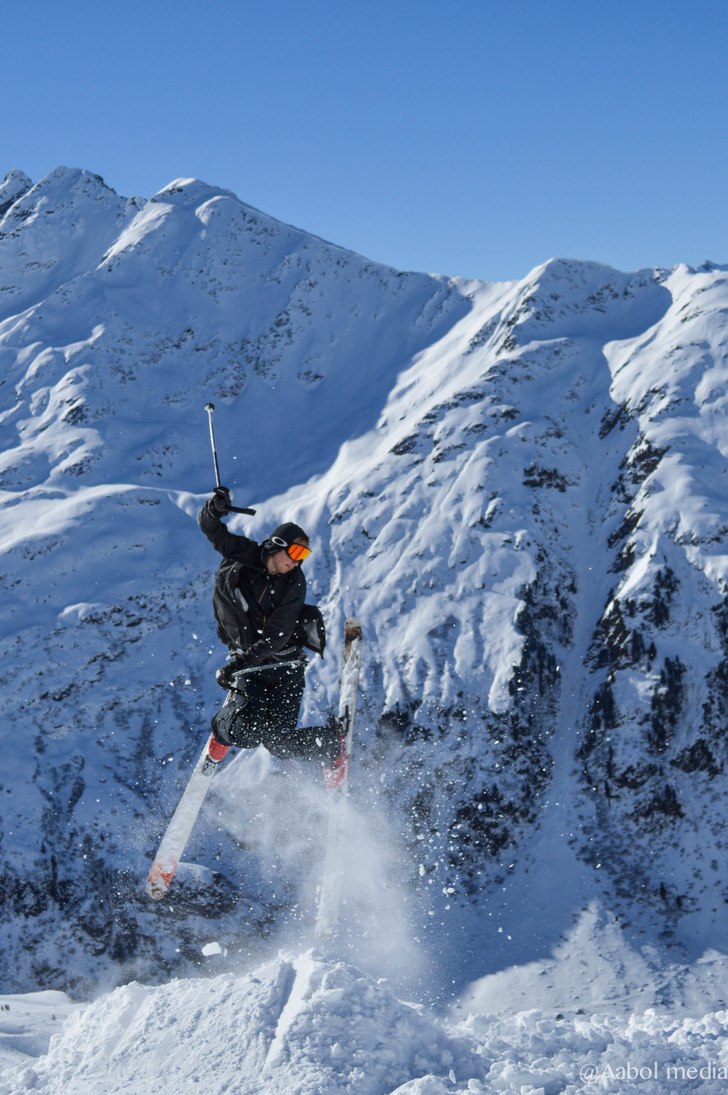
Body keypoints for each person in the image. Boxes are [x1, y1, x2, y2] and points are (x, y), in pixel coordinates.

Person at [198, 486, 342, 769]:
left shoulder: (294, 583)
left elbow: (277, 637)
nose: (297, 561)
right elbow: (211, 529)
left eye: (304, 555)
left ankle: (332, 745)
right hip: (252, 671)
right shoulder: (244, 555)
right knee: (250, 733)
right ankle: (224, 729)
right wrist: (215, 508)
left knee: (280, 743)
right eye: (295, 551)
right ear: (278, 543)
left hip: (285, 668)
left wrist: (236, 665)